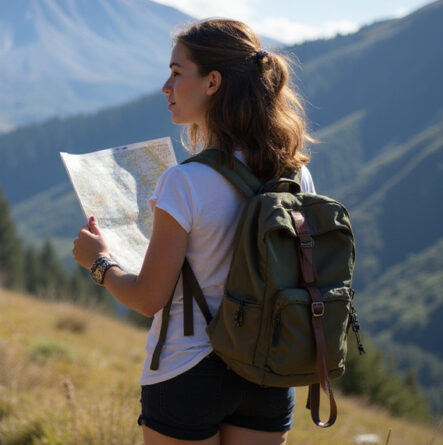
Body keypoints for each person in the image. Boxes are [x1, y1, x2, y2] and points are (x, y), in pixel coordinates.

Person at [72, 18, 317, 445]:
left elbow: (148, 298)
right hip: (268, 369)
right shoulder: (297, 175)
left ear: (212, 82)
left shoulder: (184, 182)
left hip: (188, 370)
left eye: (176, 72)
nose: (165, 87)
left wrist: (99, 262)